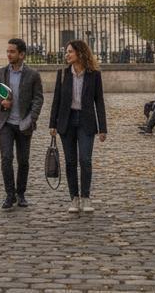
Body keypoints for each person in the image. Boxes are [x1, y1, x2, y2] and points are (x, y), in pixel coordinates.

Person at [48, 39, 107, 214]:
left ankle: (86, 197)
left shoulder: (94, 74)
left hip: (86, 121)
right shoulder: (63, 74)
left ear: (80, 53)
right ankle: (74, 197)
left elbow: (100, 101)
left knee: (85, 160)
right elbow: (56, 101)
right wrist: (52, 124)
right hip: (67, 121)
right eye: (66, 52)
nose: (67, 55)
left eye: (70, 52)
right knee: (70, 162)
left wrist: (103, 127)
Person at [0, 37, 43, 209]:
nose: (9, 54)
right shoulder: (1, 73)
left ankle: (21, 193)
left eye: (12, 52)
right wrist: (0, 103)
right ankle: (9, 194)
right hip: (5, 123)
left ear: (22, 54)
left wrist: (32, 118)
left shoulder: (33, 75)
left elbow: (38, 99)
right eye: (7, 51)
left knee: (23, 160)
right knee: (6, 158)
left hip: (24, 123)